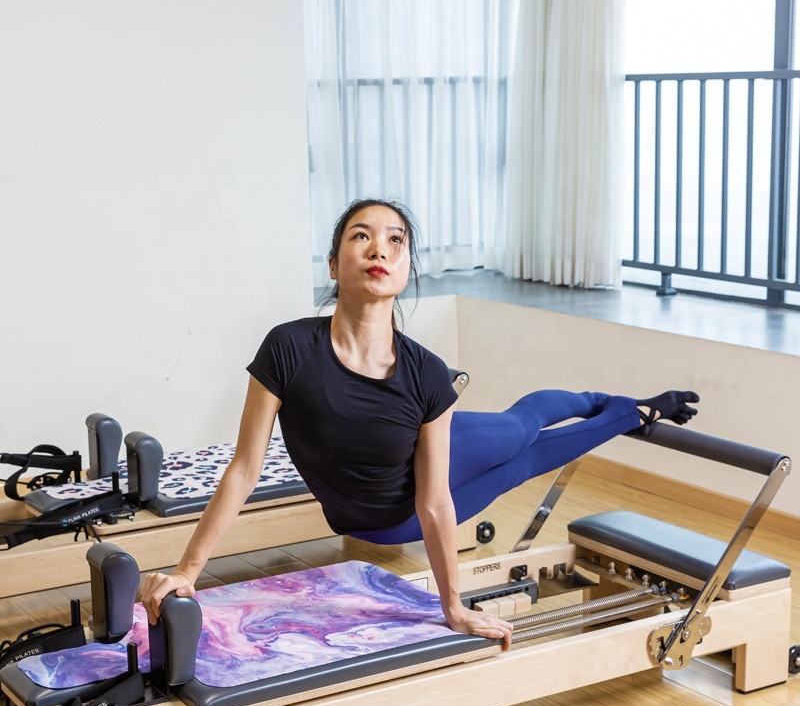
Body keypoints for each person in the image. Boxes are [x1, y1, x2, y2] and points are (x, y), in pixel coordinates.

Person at [141, 199, 699, 651]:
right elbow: (245, 469)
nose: (378, 248)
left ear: (406, 270)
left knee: (517, 432)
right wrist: (188, 571)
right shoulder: (287, 348)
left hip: (424, 472)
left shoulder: (426, 373)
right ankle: (621, 410)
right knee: (524, 461)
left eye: (394, 240)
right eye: (360, 236)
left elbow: (438, 501)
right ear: (334, 265)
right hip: (390, 521)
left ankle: (616, 406)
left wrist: (452, 607)